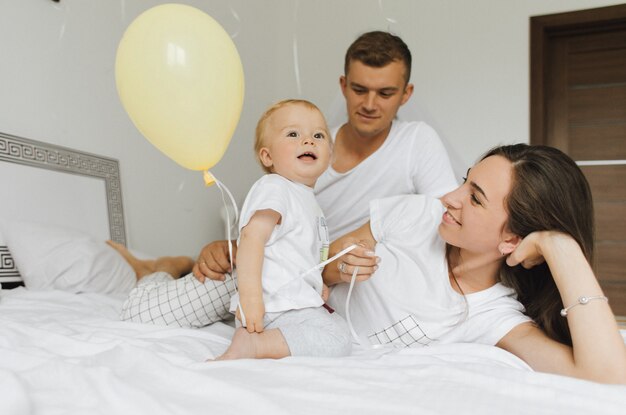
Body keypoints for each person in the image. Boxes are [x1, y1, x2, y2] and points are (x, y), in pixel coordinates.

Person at [323, 143, 625, 384]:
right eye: (464, 182)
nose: (449, 197)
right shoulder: (413, 213)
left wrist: (561, 246)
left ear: (513, 240)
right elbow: (324, 267)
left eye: (475, 198)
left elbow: (606, 376)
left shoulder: (494, 317)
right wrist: (341, 266)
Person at [194, 31, 458, 282]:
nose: (369, 104)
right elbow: (270, 222)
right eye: (359, 89)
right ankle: (176, 265)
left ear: (406, 94)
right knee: (202, 275)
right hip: (288, 271)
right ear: (343, 86)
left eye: (385, 93)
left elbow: (445, 223)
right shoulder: (309, 148)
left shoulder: (416, 141)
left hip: (338, 280)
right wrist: (228, 247)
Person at [120, 99, 351, 360]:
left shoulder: (307, 201)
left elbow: (299, 255)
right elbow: (252, 239)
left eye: (318, 135)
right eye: (293, 134)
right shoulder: (276, 187)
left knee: (338, 332)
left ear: (329, 155)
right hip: (275, 306)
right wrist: (251, 298)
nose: (308, 141)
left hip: (291, 304)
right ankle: (255, 345)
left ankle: (260, 343)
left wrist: (315, 285)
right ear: (267, 156)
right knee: (337, 340)